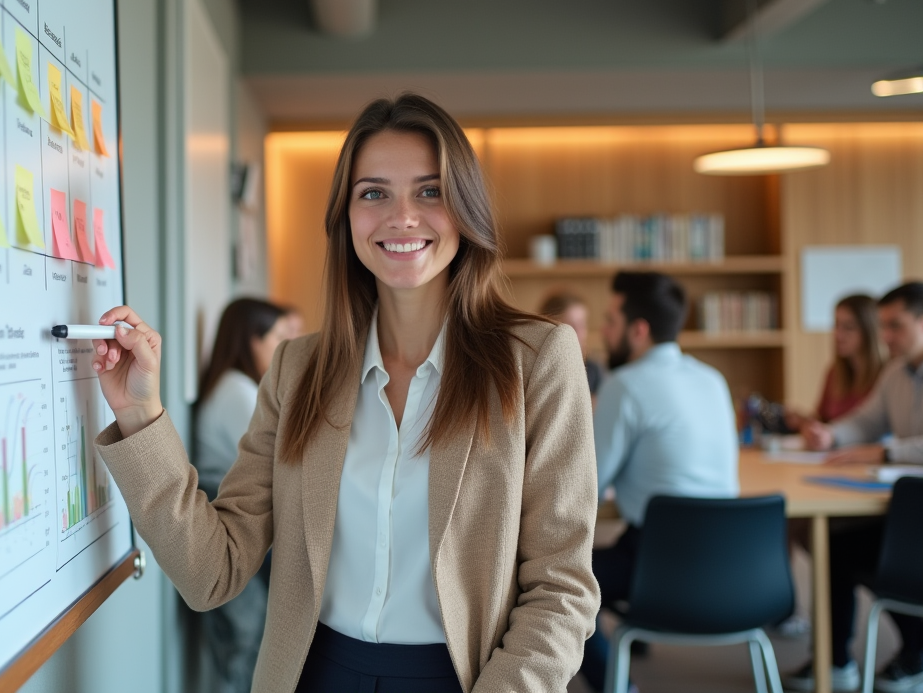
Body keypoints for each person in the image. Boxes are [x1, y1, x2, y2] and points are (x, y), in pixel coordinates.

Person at [87, 93, 600, 692]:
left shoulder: (537, 360)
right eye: (374, 193)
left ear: (465, 208)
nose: (402, 216)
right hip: (314, 674)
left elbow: (561, 588)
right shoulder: (297, 369)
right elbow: (212, 573)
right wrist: (139, 413)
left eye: (430, 191)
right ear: (346, 217)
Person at [579, 271, 739, 693]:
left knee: (548, 580)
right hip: (734, 570)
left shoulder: (625, 387)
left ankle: (619, 684)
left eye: (610, 320)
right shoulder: (713, 379)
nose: (603, 331)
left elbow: (584, 489)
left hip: (659, 566)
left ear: (639, 330)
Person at [786, 282, 923, 693]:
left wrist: (885, 453)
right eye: (882, 327)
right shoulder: (896, 372)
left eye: (896, 326)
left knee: (889, 563)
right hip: (908, 511)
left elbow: (884, 444)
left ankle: (916, 655)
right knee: (837, 547)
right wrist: (833, 435)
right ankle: (835, 661)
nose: (886, 338)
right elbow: (866, 420)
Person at [193, 297, 294, 693]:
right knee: (246, 639)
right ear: (253, 341)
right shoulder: (237, 391)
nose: (284, 349)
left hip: (229, 519)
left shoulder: (236, 386)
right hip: (230, 524)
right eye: (278, 338)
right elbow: (280, 461)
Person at [787, 294, 884, 428]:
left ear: (869, 330)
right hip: (835, 447)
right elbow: (823, 420)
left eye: (849, 327)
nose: (838, 335)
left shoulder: (888, 374)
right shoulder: (835, 372)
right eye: (836, 325)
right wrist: (803, 421)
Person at [539, 289, 606, 397]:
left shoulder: (594, 369)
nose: (579, 332)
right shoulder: (539, 372)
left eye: (582, 324)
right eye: (570, 326)